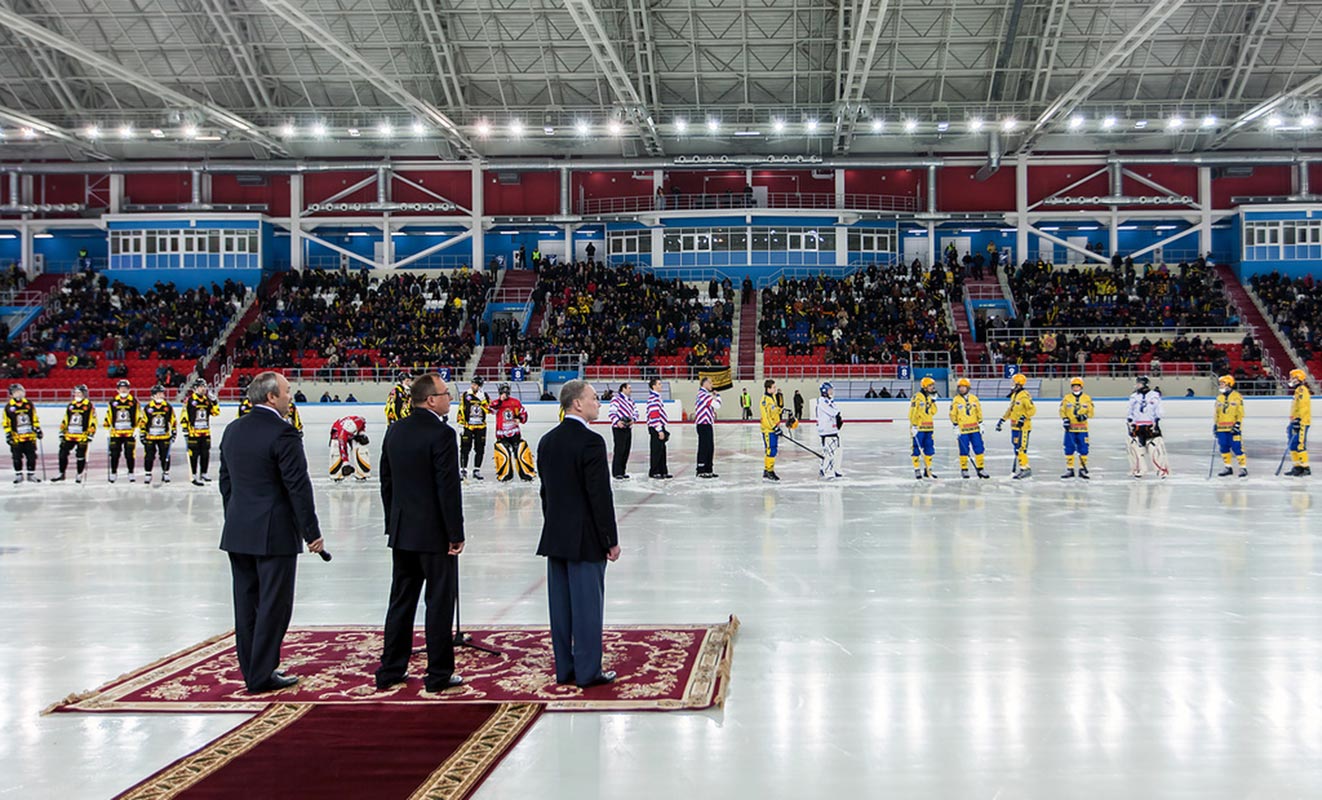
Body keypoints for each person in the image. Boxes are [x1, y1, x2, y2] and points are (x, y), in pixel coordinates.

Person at [218, 371, 325, 694]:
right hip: (274, 533)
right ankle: (263, 673)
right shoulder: (284, 433)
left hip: (239, 530)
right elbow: (298, 487)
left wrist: (236, 517)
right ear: (270, 397)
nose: (291, 396)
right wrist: (312, 532)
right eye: (287, 392)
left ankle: (252, 670)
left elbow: (226, 483)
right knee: (274, 605)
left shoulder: (233, 429)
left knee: (246, 603)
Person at [376, 373, 466, 692]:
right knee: (439, 603)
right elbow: (447, 488)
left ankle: (391, 668)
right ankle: (439, 673)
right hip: (435, 534)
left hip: (403, 531)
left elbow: (386, 482)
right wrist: (455, 532)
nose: (450, 399)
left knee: (401, 601)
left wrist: (393, 522)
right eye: (445, 394)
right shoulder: (442, 434)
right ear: (430, 399)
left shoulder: (395, 430)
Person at [535, 380, 621, 688]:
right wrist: (610, 539)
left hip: (555, 535)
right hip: (585, 538)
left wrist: (554, 525)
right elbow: (599, 496)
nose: (599, 403)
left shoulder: (547, 441)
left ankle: (565, 669)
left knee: (560, 610)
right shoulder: (591, 442)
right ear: (577, 404)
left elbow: (545, 493)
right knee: (587, 608)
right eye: (594, 398)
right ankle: (587, 672)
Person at [1126, 375, 1169, 478]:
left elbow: (1158, 409)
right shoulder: (1134, 396)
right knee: (1136, 449)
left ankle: (1161, 470)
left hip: (1150, 425)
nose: (1137, 385)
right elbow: (1130, 410)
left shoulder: (1154, 395)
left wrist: (1157, 419)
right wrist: (1129, 420)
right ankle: (1140, 469)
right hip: (1137, 425)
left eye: (1139, 383)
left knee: (1155, 449)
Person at [996, 372, 1036, 479]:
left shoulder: (1024, 395)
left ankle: (1025, 468)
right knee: (1016, 448)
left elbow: (1032, 409)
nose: (1012, 384)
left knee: (1021, 448)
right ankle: (1022, 466)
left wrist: (1024, 417)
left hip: (1023, 427)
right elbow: (1011, 410)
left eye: (1013, 382)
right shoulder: (1014, 395)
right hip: (1014, 427)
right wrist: (1002, 420)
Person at [492, 383, 535, 481]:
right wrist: (500, 401)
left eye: (506, 392)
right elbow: (490, 410)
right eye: (503, 392)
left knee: (520, 452)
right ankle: (505, 475)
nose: (505, 394)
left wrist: (520, 419)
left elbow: (523, 413)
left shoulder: (515, 402)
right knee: (504, 454)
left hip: (515, 433)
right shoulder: (496, 403)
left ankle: (526, 474)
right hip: (501, 434)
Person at [53, 385, 95, 483]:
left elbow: (93, 420)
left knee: (80, 455)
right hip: (69, 434)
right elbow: (65, 419)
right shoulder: (71, 405)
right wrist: (62, 431)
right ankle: (61, 473)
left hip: (82, 435)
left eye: (79, 393)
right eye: (76, 393)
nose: (77, 395)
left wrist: (91, 433)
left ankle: (79, 474)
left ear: (84, 394)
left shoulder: (89, 406)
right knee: (62, 453)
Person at [949, 378, 990, 479]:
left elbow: (978, 411)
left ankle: (980, 468)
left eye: (963, 387)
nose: (962, 389)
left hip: (975, 429)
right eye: (960, 387)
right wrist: (955, 425)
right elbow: (952, 414)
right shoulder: (956, 400)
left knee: (979, 448)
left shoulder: (974, 399)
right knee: (964, 450)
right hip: (963, 430)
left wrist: (980, 423)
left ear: (968, 388)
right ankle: (964, 469)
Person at [184, 379, 221, 485]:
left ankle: (204, 473)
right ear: (195, 388)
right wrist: (185, 429)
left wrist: (215, 402)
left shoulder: (206, 400)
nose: (203, 389)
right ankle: (194, 474)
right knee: (194, 454)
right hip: (193, 433)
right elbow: (184, 414)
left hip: (205, 432)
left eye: (204, 386)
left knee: (205, 453)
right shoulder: (190, 400)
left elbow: (215, 413)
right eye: (201, 386)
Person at [3, 383, 41, 483]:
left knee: (31, 456)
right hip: (17, 437)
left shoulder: (28, 404)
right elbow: (6, 422)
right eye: (16, 392)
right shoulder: (9, 407)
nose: (19, 394)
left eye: (20, 391)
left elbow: (34, 417)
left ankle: (31, 474)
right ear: (11, 394)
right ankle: (19, 475)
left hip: (29, 436)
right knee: (16, 457)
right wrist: (8, 434)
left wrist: (37, 429)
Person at [103, 379, 140, 483]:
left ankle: (131, 472)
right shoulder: (113, 402)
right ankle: (114, 472)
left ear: (129, 389)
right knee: (114, 454)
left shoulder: (134, 401)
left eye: (125, 388)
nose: (123, 390)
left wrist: (137, 428)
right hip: (116, 432)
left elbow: (138, 415)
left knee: (129, 454)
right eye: (121, 388)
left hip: (129, 432)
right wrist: (106, 428)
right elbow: (109, 415)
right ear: (118, 389)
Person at [139, 384, 176, 485]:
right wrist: (142, 433)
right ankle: (148, 473)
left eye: (162, 393)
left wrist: (174, 431)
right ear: (153, 396)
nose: (160, 396)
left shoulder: (168, 407)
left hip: (164, 436)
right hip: (151, 436)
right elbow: (143, 421)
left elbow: (173, 420)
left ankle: (166, 472)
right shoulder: (148, 408)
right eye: (158, 394)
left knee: (165, 455)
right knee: (149, 456)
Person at [1059, 377, 1094, 479]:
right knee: (1069, 448)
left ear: (1081, 387)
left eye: (1077, 386)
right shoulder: (1067, 398)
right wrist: (1065, 419)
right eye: (1074, 386)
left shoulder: (1087, 398)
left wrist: (1085, 416)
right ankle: (1070, 469)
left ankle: (1082, 469)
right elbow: (1062, 410)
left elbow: (1091, 412)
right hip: (1070, 429)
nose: (1075, 388)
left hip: (1082, 429)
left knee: (1083, 448)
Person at [1213, 374, 1247, 478]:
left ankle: (1243, 467)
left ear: (1229, 384)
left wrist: (1237, 424)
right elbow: (1217, 413)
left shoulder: (1237, 396)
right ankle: (1227, 467)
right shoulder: (1219, 398)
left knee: (1237, 447)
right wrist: (1215, 425)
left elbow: (1240, 412)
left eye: (1223, 383)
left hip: (1233, 429)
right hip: (1221, 429)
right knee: (1223, 447)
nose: (1221, 385)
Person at [458, 377, 491, 481]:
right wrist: (460, 424)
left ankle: (477, 470)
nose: (473, 386)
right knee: (464, 448)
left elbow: (489, 410)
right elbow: (461, 409)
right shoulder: (465, 395)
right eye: (472, 384)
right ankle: (463, 470)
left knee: (480, 448)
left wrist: (483, 401)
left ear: (479, 386)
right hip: (468, 426)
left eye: (475, 384)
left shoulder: (484, 395)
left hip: (481, 426)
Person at [909, 376, 939, 479]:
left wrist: (934, 402)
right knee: (916, 449)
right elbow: (912, 412)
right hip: (919, 428)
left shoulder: (930, 397)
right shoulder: (916, 397)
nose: (932, 387)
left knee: (929, 449)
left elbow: (933, 412)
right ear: (925, 386)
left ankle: (928, 470)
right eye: (930, 385)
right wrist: (914, 425)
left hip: (929, 427)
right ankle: (917, 469)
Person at [328, 415, 371, 482]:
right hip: (337, 434)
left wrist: (361, 434)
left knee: (361, 447)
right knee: (336, 449)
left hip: (355, 433)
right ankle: (337, 475)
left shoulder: (359, 421)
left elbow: (362, 425)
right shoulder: (342, 434)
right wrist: (346, 463)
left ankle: (362, 473)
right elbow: (342, 448)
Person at [693, 377, 721, 478]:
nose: (712, 385)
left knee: (709, 447)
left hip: (707, 424)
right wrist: (718, 396)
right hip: (703, 424)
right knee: (704, 447)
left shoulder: (705, 395)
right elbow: (717, 405)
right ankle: (701, 469)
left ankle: (708, 468)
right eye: (710, 383)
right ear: (705, 383)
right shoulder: (703, 395)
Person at [1286, 368, 1311, 477]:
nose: (1290, 379)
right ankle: (1297, 466)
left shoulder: (1302, 390)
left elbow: (1303, 407)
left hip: (1302, 422)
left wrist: (1298, 420)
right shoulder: (1297, 391)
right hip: (1295, 422)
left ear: (1298, 379)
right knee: (1292, 444)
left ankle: (1305, 467)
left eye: (1293, 377)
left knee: (1300, 445)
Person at [608, 383, 636, 479]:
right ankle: (617, 472)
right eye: (629, 388)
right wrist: (617, 421)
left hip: (628, 427)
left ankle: (622, 471)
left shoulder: (631, 401)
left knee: (626, 450)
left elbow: (635, 412)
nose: (630, 390)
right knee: (619, 449)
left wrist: (633, 419)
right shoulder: (616, 399)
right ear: (623, 389)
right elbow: (612, 413)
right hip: (618, 428)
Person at [816, 382, 842, 479]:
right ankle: (827, 471)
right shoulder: (822, 401)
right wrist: (837, 414)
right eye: (829, 390)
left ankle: (832, 469)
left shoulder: (829, 400)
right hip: (826, 430)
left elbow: (837, 410)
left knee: (834, 451)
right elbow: (833, 412)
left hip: (832, 429)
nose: (831, 392)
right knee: (829, 452)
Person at [646, 378, 671, 479]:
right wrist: (659, 429)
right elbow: (654, 415)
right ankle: (654, 471)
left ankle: (662, 470)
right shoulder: (653, 398)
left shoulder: (657, 397)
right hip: (655, 426)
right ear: (654, 386)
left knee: (662, 449)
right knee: (656, 450)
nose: (661, 386)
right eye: (659, 384)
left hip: (659, 425)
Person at [760, 379, 782, 481]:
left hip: (774, 428)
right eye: (773, 387)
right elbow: (766, 418)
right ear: (768, 388)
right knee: (771, 450)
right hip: (769, 430)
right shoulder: (764, 401)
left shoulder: (772, 397)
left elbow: (774, 409)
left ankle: (767, 470)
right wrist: (774, 427)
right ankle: (769, 471)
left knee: (773, 449)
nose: (775, 389)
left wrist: (783, 410)